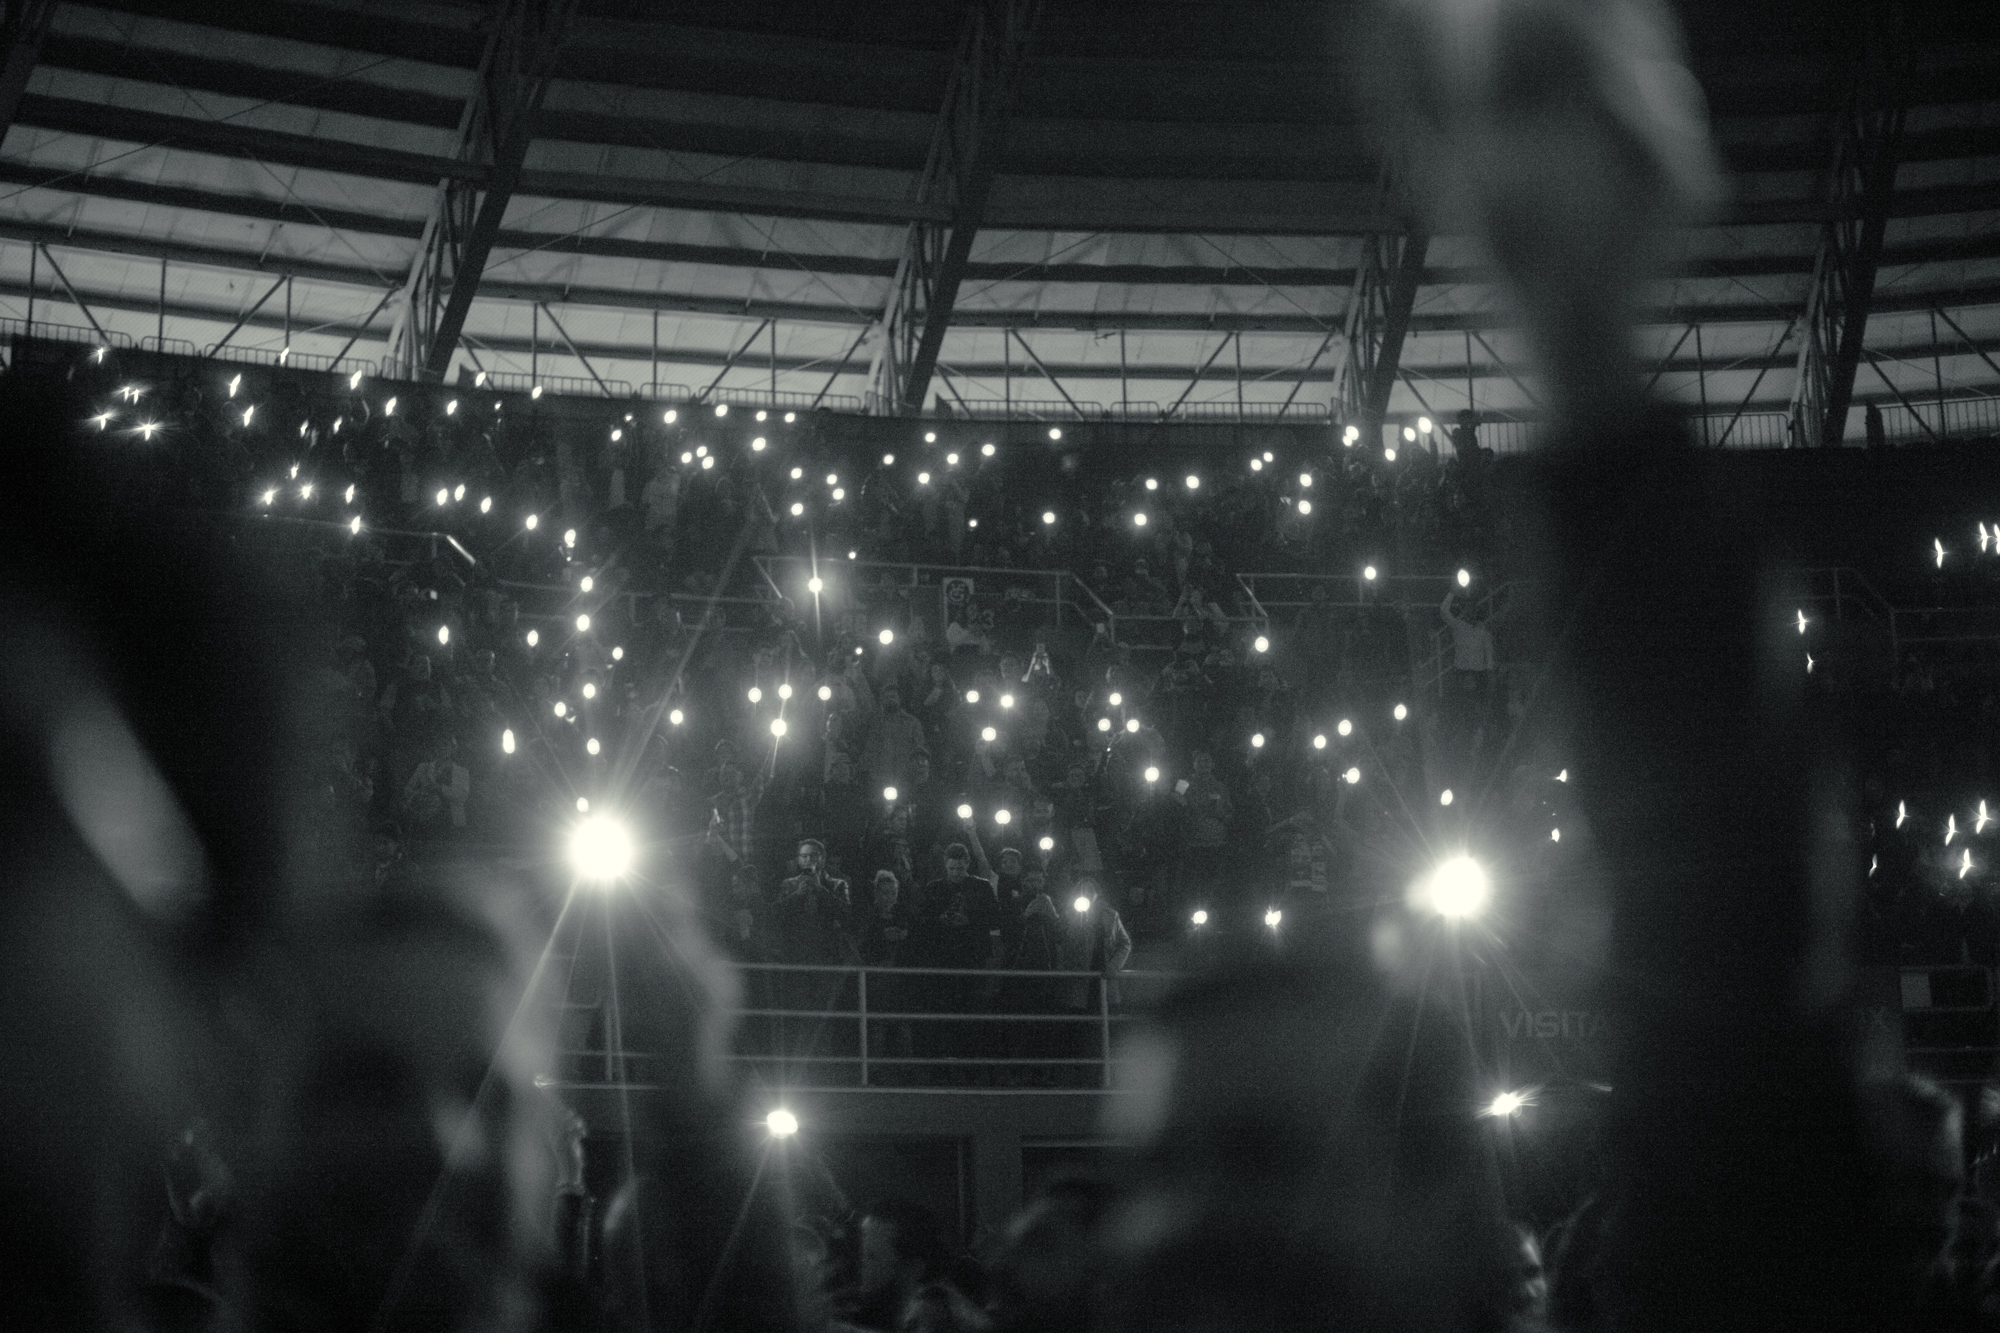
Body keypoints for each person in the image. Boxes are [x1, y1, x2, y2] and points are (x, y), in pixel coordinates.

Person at [847, 1199, 949, 1332]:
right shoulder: (867, 1312)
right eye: (861, 1254)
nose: (860, 1263)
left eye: (871, 1256)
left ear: (912, 1267)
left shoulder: (933, 1319)